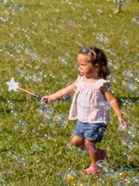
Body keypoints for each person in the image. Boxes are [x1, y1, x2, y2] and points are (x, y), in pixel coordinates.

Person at [41, 46, 128, 175]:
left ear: (96, 66)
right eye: (79, 64)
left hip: (96, 120)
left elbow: (112, 100)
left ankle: (95, 167)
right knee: (76, 141)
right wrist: (51, 97)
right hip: (82, 119)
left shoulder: (100, 84)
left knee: (89, 143)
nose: (79, 67)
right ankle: (98, 154)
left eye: (83, 64)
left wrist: (120, 116)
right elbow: (66, 90)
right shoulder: (80, 80)